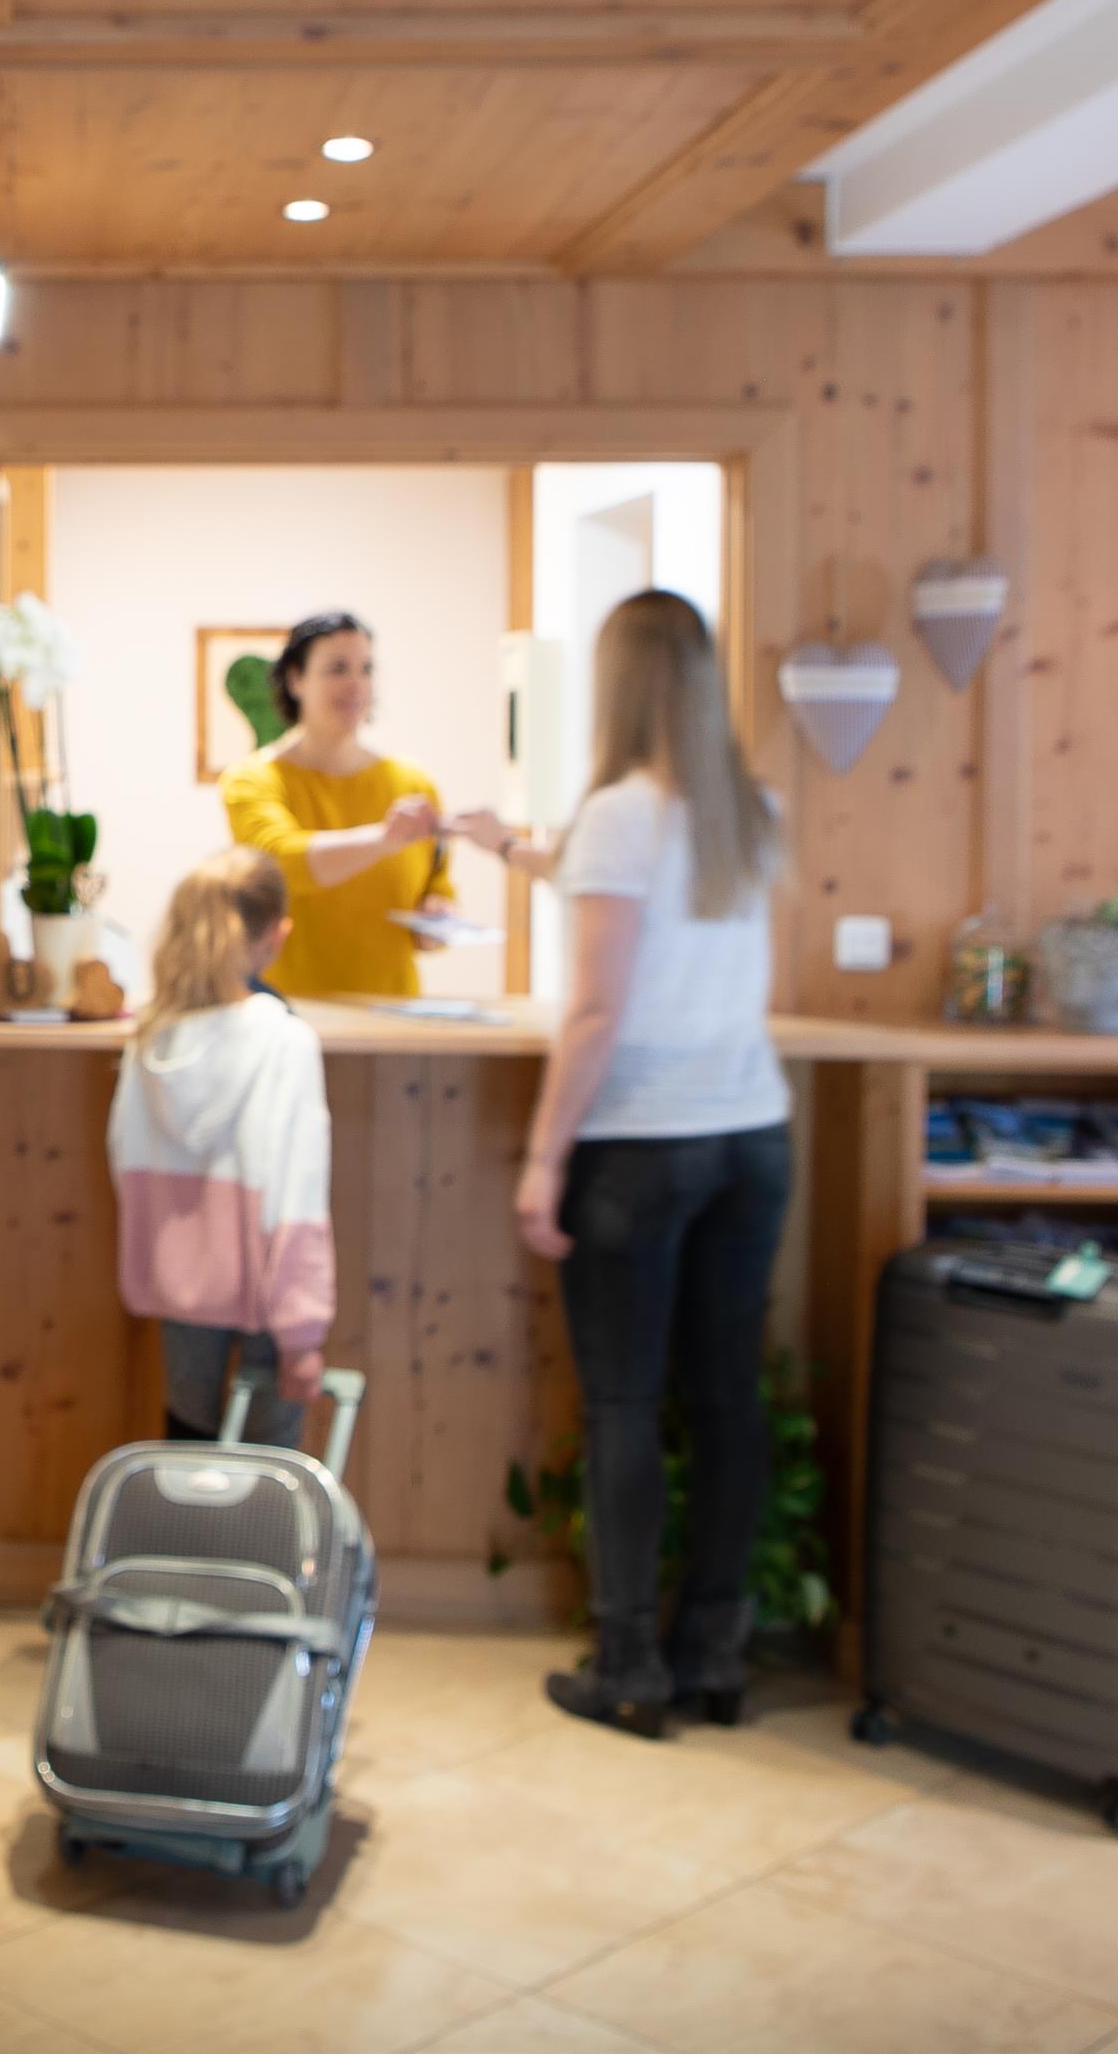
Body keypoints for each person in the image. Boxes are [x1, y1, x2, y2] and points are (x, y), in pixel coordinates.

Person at [453, 591, 788, 1740]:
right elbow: (633, 891)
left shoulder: (617, 813)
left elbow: (595, 1009)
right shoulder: (747, 810)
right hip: (751, 1138)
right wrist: (511, 849)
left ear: (619, 684)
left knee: (624, 1405)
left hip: (641, 1145)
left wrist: (543, 1158)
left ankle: (628, 1666)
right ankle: (715, 1656)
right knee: (727, 1402)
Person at [106, 847, 332, 1449]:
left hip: (176, 1280)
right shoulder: (285, 1042)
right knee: (269, 1467)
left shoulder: (147, 1039)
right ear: (276, 936)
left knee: (187, 1445)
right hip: (267, 1284)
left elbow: (123, 1156)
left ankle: (183, 1519)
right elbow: (298, 1192)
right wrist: (302, 1334)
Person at [218, 610, 459, 999]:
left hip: (393, 1013)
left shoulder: (414, 784)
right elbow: (281, 862)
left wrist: (437, 918)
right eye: (337, 668)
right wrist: (383, 840)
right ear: (295, 680)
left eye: (366, 669)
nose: (356, 684)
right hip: (287, 1013)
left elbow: (437, 887)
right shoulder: (252, 779)